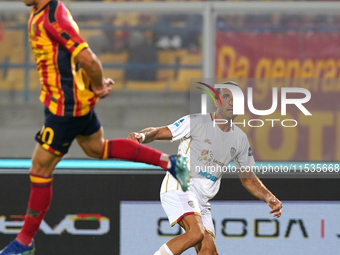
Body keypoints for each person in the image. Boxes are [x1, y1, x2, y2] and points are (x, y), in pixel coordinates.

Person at [0, 0, 189, 254]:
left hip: (65, 109)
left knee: (39, 169)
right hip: (69, 99)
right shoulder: (45, 10)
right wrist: (91, 84)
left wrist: (98, 84)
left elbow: (87, 58)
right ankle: (171, 163)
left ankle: (24, 241)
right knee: (96, 148)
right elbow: (72, 59)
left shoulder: (52, 18)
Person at [128, 81, 283, 255]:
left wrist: (269, 197)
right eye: (226, 97)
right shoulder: (196, 122)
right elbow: (157, 132)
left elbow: (248, 179)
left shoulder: (240, 138)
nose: (232, 102)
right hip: (180, 185)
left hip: (202, 199)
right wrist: (142, 136)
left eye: (236, 98)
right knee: (196, 233)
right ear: (217, 102)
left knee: (209, 251)